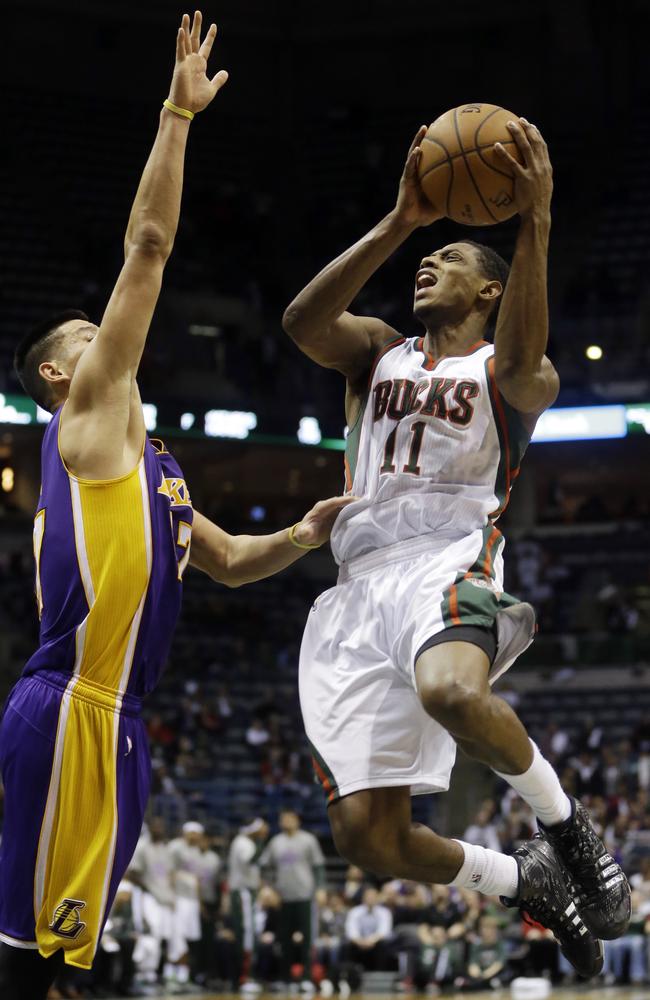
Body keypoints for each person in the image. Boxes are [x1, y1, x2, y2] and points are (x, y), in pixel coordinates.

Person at [0, 14, 351, 998]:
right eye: (92, 329)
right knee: (32, 959)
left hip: (116, 720)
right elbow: (149, 245)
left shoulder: (151, 465)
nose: (113, 333)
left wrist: (302, 531)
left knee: (64, 961)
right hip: (74, 706)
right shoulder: (83, 424)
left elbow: (232, 561)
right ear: (62, 373)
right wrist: (176, 113)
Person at [283, 116, 631, 976]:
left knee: (450, 691)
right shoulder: (375, 354)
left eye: (450, 261)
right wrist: (402, 220)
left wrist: (535, 220)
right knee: (372, 841)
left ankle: (570, 830)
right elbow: (301, 321)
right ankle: (522, 881)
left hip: (448, 558)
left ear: (489, 294)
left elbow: (522, 351)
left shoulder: (514, 376)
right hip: (356, 585)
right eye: (424, 259)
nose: (428, 265)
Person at [260, 809, 325, 989]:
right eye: (283, 818)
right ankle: (285, 978)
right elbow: (265, 867)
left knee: (307, 939)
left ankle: (306, 978)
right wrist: (269, 888)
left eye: (290, 818)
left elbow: (318, 866)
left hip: (305, 895)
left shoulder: (308, 840)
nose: (286, 821)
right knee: (284, 939)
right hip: (283, 898)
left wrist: (320, 889)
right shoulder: (275, 842)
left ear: (297, 820)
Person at [227, 817, 269, 988]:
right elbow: (250, 860)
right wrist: (261, 840)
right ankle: (245, 977)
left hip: (248, 892)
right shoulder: (243, 842)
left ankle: (246, 976)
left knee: (250, 933)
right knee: (247, 934)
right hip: (243, 892)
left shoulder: (246, 841)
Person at [343, 887, 393, 971]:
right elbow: (351, 931)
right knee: (346, 945)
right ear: (363, 898)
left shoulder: (385, 912)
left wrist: (371, 941)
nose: (370, 899)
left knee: (385, 944)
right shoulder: (355, 911)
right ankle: (351, 974)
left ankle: (379, 973)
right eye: (368, 897)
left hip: (376, 943)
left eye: (373, 897)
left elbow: (384, 931)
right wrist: (360, 941)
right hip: (358, 943)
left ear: (377, 898)